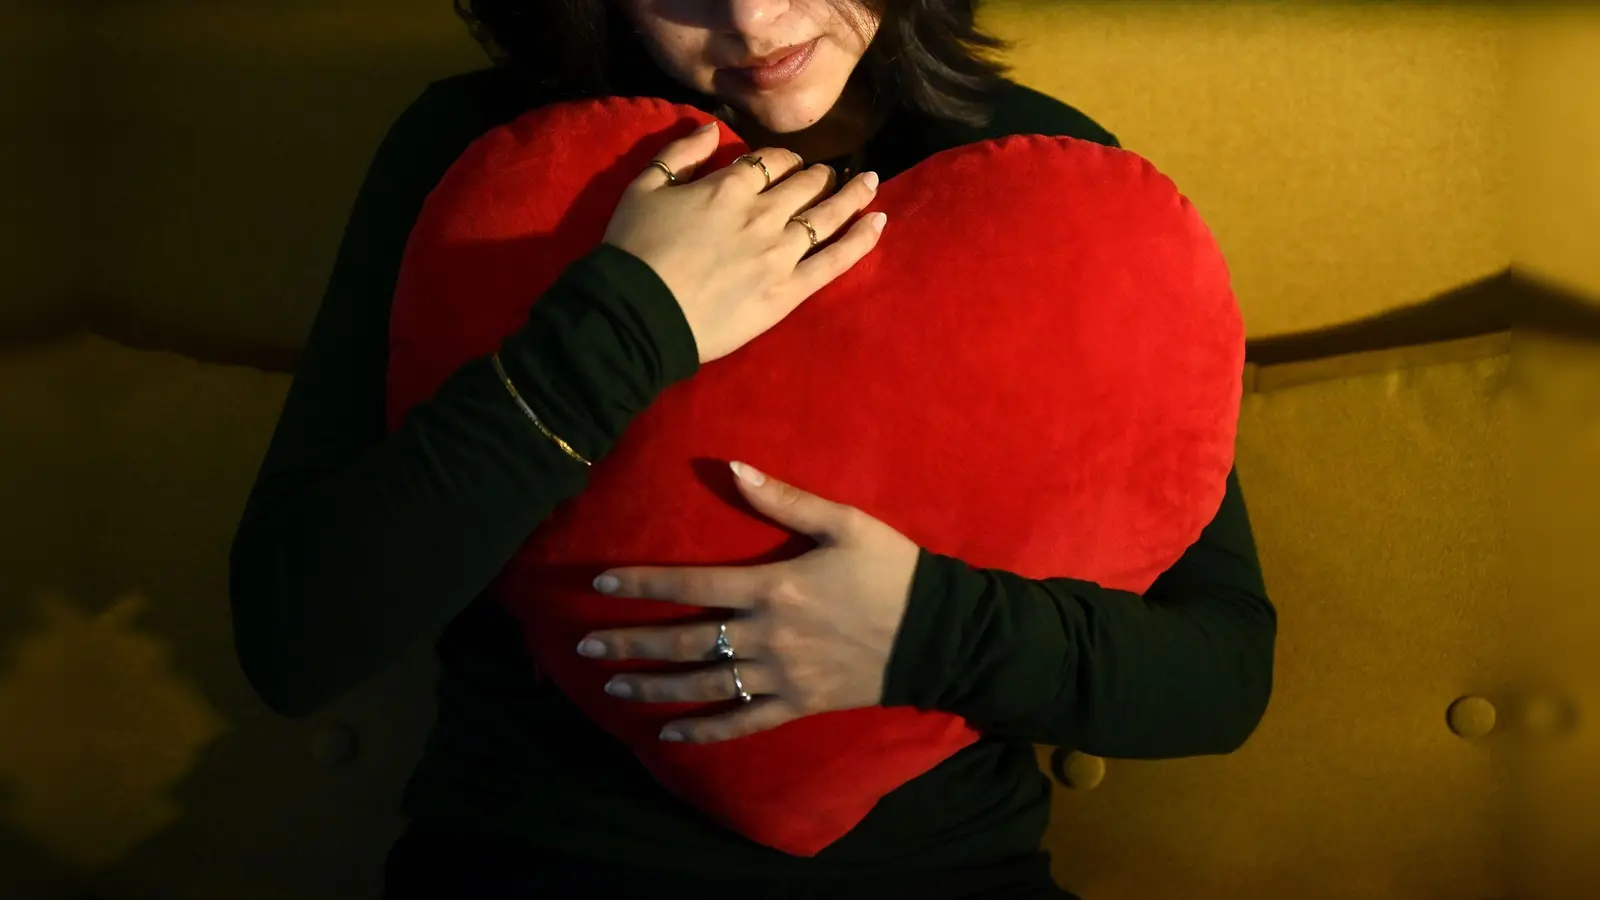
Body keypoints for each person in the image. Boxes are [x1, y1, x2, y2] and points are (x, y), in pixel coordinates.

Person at [228, 1, 1278, 897]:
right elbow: (293, 638)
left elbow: (1222, 673)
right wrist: (628, 325)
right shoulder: (488, 157)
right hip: (538, 864)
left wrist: (924, 631)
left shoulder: (1060, 190)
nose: (751, 18)